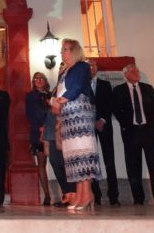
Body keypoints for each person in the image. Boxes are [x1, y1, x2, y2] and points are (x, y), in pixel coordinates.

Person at [50, 39, 100, 211]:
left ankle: (87, 195)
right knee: (74, 157)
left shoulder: (82, 67)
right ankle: (80, 195)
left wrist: (59, 101)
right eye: (62, 49)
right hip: (68, 119)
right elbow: (59, 92)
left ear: (74, 51)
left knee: (83, 154)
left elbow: (76, 88)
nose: (61, 52)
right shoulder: (65, 71)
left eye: (65, 49)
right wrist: (55, 102)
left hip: (79, 117)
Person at [112, 63, 154, 205]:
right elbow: (116, 110)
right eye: (133, 71)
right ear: (126, 75)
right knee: (133, 167)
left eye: (137, 70)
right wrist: (127, 125)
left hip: (149, 131)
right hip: (131, 133)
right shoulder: (118, 90)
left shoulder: (148, 88)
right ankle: (138, 198)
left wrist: (147, 123)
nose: (137, 73)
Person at [88, 59, 120, 206]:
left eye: (93, 65)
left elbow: (110, 104)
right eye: (88, 66)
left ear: (97, 68)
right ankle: (96, 195)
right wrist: (91, 121)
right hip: (88, 127)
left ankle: (114, 196)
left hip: (104, 125)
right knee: (92, 161)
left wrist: (102, 120)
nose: (91, 68)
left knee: (109, 161)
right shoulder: (82, 85)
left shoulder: (105, 84)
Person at [25, 72, 52, 206]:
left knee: (58, 162)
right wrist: (41, 127)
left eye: (41, 78)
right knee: (42, 164)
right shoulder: (31, 96)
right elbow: (30, 114)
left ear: (45, 81)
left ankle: (67, 193)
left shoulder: (52, 95)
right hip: (39, 133)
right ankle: (47, 195)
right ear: (33, 82)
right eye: (36, 78)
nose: (39, 80)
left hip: (53, 132)